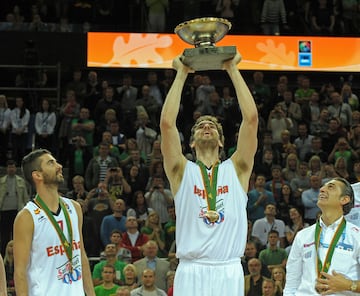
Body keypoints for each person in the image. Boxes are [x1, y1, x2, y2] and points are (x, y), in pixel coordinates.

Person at [160, 52, 258, 295]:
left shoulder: (238, 168)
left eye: (212, 125)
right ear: (191, 142)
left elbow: (252, 119)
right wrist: (181, 74)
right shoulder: (181, 171)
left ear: (222, 142)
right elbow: (167, 124)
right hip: (191, 270)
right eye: (200, 125)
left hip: (229, 268)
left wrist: (232, 69)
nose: (206, 126)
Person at [13, 149, 95, 295]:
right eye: (51, 163)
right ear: (37, 175)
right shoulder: (26, 217)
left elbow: (81, 255)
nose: (59, 166)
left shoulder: (75, 208)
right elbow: (20, 273)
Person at [284, 177, 360, 295]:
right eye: (323, 187)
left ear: (344, 199)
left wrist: (349, 285)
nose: (322, 189)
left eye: (330, 187)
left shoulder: (357, 235)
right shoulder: (302, 236)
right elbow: (291, 284)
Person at [0, 159, 29, 256]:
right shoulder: (1, 181)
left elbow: (25, 197)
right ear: (7, 168)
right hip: (4, 210)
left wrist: (27, 209)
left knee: (17, 234)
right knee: (4, 236)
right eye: (9, 167)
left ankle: (18, 255)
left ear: (15, 168)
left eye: (13, 167)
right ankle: (4, 257)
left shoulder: (21, 181)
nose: (11, 169)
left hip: (17, 211)